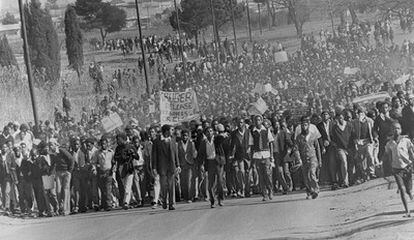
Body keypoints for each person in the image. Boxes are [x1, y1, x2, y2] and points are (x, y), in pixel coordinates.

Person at [384, 122, 414, 217]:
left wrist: (412, 164)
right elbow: (388, 156)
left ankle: (410, 194)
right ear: (391, 131)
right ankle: (407, 211)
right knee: (402, 189)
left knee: (409, 190)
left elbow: (411, 153)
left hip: (407, 168)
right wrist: (389, 167)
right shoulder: (389, 144)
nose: (396, 130)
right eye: (394, 129)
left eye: (398, 128)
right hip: (396, 169)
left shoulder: (406, 141)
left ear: (401, 130)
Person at [152, 125, 181, 210]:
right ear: (166, 131)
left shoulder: (172, 140)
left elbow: (176, 154)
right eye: (171, 130)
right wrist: (154, 167)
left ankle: (171, 204)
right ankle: (164, 201)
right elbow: (154, 155)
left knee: (171, 185)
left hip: (171, 165)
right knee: (163, 185)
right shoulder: (157, 141)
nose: (172, 131)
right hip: (161, 166)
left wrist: (178, 165)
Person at [249, 115, 275, 201]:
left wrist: (271, 155)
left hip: (266, 154)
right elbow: (251, 145)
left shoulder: (266, 130)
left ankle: (270, 190)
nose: (257, 121)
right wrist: (251, 157)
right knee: (261, 176)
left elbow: (271, 143)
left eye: (259, 120)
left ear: (262, 121)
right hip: (257, 155)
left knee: (268, 174)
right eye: (256, 120)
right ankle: (264, 194)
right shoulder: (252, 132)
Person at [198, 126, 224, 208]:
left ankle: (220, 199)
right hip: (209, 163)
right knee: (210, 184)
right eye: (207, 131)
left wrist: (220, 132)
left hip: (218, 162)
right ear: (205, 133)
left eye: (211, 131)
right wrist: (201, 165)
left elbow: (221, 138)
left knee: (220, 181)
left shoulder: (216, 140)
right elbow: (201, 155)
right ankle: (212, 201)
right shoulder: (203, 142)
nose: (209, 133)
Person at [296, 116, 322, 199]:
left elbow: (317, 147)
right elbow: (296, 148)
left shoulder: (313, 135)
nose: (304, 127)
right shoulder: (299, 137)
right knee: (306, 176)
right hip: (303, 158)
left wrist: (319, 160)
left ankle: (316, 189)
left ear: (308, 125)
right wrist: (298, 159)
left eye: (306, 125)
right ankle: (309, 191)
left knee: (312, 173)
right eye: (303, 125)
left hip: (312, 157)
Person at [49, 138, 75, 216]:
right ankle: (60, 208)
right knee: (58, 191)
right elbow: (53, 164)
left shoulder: (61, 150)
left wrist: (69, 170)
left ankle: (66, 209)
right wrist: (50, 173)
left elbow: (71, 159)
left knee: (66, 190)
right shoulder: (52, 153)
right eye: (49, 145)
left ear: (55, 144)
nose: (50, 146)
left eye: (52, 144)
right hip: (58, 173)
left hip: (66, 172)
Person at [114, 133, 139, 210]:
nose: (117, 141)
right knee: (125, 186)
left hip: (129, 168)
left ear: (123, 139)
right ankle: (132, 200)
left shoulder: (131, 146)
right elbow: (115, 157)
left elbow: (137, 157)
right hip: (121, 168)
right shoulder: (118, 148)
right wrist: (122, 156)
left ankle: (126, 202)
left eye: (119, 139)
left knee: (128, 185)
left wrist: (132, 153)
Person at [92, 137, 115, 211]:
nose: (103, 145)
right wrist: (94, 169)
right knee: (102, 189)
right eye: (102, 144)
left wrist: (114, 168)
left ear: (107, 144)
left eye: (104, 144)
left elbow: (114, 162)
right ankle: (104, 204)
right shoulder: (97, 153)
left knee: (108, 188)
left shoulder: (111, 152)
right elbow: (94, 162)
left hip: (109, 172)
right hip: (101, 172)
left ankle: (109, 204)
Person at [331, 112, 353, 188]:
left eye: (341, 117)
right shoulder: (335, 128)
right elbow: (333, 139)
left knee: (351, 164)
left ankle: (352, 179)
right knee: (344, 162)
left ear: (343, 117)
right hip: (340, 148)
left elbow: (353, 136)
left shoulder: (349, 125)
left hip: (350, 147)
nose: (340, 119)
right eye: (338, 118)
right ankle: (345, 181)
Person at [229, 117, 250, 197]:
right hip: (239, 155)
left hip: (248, 155)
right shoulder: (234, 133)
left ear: (244, 123)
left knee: (248, 173)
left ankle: (248, 189)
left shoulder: (248, 132)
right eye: (238, 123)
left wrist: (250, 149)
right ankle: (243, 189)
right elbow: (232, 145)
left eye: (241, 122)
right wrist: (231, 154)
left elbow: (252, 142)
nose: (240, 124)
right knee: (241, 172)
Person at [69, 137, 89, 213]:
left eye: (77, 144)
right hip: (75, 174)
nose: (75, 145)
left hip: (83, 173)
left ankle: (83, 206)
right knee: (76, 190)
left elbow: (88, 162)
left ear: (79, 145)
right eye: (74, 144)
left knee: (83, 190)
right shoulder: (70, 153)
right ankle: (76, 206)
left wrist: (85, 167)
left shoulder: (83, 152)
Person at [178, 129, 197, 203]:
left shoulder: (191, 143)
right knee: (183, 182)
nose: (184, 137)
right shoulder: (178, 144)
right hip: (182, 164)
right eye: (183, 135)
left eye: (186, 135)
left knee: (189, 180)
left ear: (188, 136)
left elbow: (194, 153)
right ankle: (185, 197)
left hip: (189, 164)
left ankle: (190, 197)